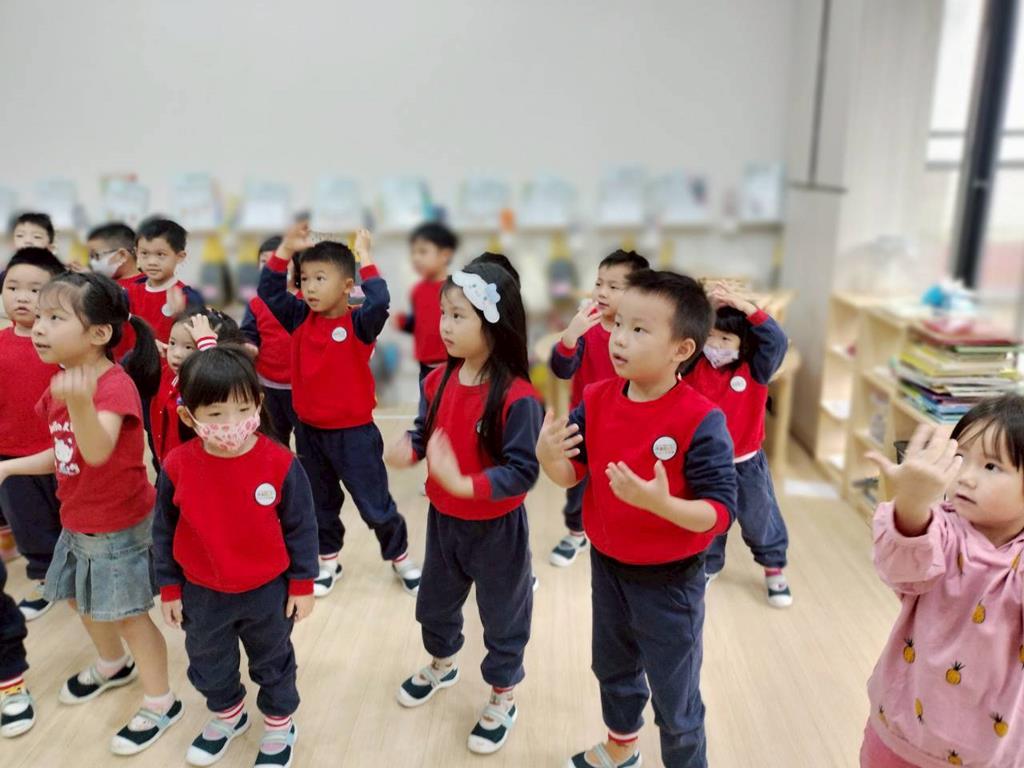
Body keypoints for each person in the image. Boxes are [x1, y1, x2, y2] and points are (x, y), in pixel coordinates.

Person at [537, 269, 736, 768]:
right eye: (619, 324)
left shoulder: (701, 418)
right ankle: (622, 747)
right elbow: (571, 473)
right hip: (608, 565)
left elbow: (719, 513)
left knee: (675, 691)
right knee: (612, 665)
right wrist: (547, 458)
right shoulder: (596, 398)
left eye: (640, 329)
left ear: (681, 349)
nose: (619, 338)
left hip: (671, 581)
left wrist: (662, 505)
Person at [0, 272, 177, 755]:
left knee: (130, 618)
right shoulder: (65, 383)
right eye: (39, 316)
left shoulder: (112, 387)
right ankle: (112, 665)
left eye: (55, 318)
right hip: (78, 522)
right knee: (79, 600)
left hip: (118, 529)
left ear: (99, 333)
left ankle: (161, 702)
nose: (39, 327)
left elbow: (96, 449)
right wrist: (8, 468)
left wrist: (78, 403)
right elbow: (63, 452)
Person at [386, 258, 542, 755]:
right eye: (443, 314)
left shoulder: (518, 397)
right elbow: (425, 431)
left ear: (493, 323)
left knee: (503, 616)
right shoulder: (436, 381)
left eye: (458, 316)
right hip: (444, 523)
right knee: (434, 604)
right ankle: (443, 664)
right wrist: (409, 449)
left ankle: (503, 695)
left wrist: (464, 482)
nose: (445, 326)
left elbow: (522, 471)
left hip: (498, 530)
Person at [154, 345, 318, 768]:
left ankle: (280, 724)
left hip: (267, 592)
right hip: (203, 593)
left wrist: (302, 584)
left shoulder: (280, 462)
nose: (231, 424)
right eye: (215, 413)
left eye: (242, 409)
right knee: (209, 661)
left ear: (258, 405)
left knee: (273, 660)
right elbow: (164, 532)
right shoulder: (176, 466)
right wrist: (169, 588)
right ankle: (229, 715)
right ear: (188, 416)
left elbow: (302, 527)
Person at [257, 222, 420, 597]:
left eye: (320, 278)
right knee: (321, 503)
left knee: (375, 505)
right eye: (305, 279)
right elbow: (269, 290)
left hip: (355, 436)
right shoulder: (298, 317)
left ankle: (400, 557)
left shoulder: (360, 322)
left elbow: (379, 300)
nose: (309, 287)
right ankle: (328, 561)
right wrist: (285, 250)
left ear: (347, 286)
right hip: (310, 434)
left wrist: (365, 256)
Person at [861, 397, 1024, 767]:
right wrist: (912, 502)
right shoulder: (942, 527)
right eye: (960, 457)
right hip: (900, 733)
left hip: (990, 753)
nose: (965, 476)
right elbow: (901, 567)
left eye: (991, 466)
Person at [685, 282, 792, 606]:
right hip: (705, 464)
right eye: (711, 336)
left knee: (760, 518)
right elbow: (681, 330)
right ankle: (708, 565)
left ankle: (773, 566)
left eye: (726, 339)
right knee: (709, 519)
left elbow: (777, 341)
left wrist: (747, 308)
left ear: (742, 343)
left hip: (746, 463)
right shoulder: (692, 365)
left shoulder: (755, 368)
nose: (716, 345)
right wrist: (702, 306)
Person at [548, 249, 649, 568]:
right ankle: (576, 533)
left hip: (629, 423)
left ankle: (625, 532)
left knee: (625, 479)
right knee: (578, 480)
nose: (602, 292)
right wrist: (570, 336)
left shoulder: (643, 334)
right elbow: (562, 369)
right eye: (599, 283)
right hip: (585, 421)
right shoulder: (587, 326)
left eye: (614, 286)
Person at [0, 248, 65, 619]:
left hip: (62, 450)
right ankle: (46, 579)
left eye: (34, 289)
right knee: (29, 523)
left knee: (71, 517)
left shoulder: (65, 342)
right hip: (11, 454)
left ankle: (81, 573)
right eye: (13, 287)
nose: (22, 297)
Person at [241, 236, 300, 446]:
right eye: (264, 262)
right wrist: (248, 345)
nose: (272, 267)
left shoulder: (308, 300)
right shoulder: (256, 302)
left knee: (308, 440)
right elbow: (248, 332)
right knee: (273, 437)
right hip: (267, 384)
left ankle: (307, 467)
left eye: (282, 261)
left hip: (302, 386)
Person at [394, 222, 457, 381]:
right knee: (427, 396)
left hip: (453, 363)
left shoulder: (455, 289)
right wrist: (404, 323)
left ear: (445, 255)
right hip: (425, 365)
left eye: (422, 251)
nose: (416, 258)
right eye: (413, 252)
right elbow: (420, 323)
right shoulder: (417, 290)